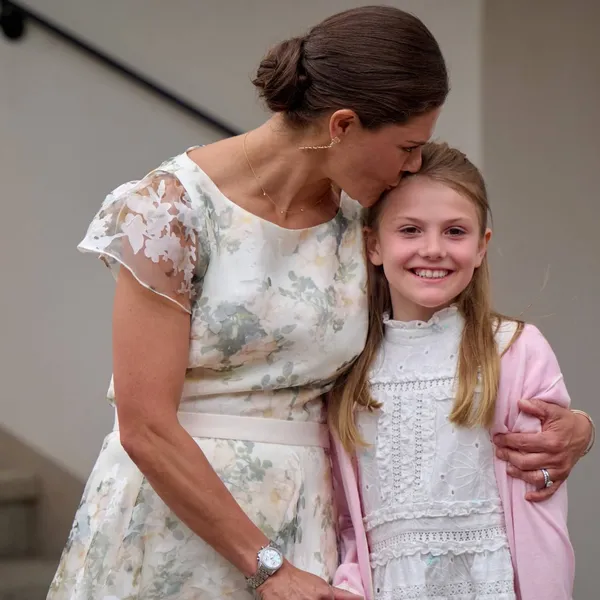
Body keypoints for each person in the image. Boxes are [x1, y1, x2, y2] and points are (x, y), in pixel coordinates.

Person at [47, 6, 593, 600]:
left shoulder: (364, 216)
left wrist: (576, 427)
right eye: (407, 146)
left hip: (312, 528)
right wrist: (268, 568)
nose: (413, 166)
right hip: (176, 527)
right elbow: (146, 425)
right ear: (342, 125)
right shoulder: (168, 211)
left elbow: (430, 351)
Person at [329, 142, 581, 600]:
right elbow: (345, 517)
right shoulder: (346, 364)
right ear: (373, 244)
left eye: (455, 232)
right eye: (410, 229)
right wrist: (349, 584)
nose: (433, 249)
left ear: (482, 246)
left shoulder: (515, 350)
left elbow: (541, 493)